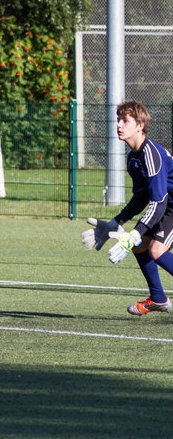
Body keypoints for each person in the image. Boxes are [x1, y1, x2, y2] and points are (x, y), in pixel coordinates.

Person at [80, 100, 173, 315]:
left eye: (126, 120)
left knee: (156, 250)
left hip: (169, 205)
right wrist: (116, 221)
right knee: (140, 247)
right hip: (167, 204)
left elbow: (158, 202)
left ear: (140, 125)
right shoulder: (132, 158)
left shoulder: (151, 154)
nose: (119, 125)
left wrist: (134, 233)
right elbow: (142, 197)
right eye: (118, 120)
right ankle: (158, 298)